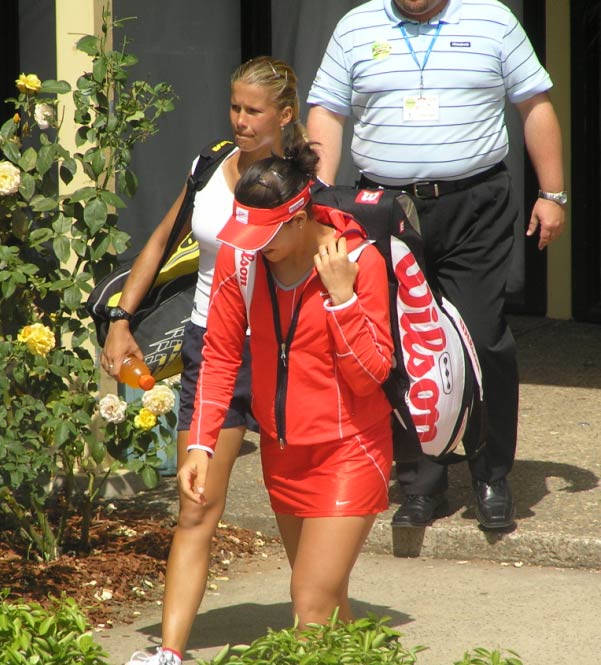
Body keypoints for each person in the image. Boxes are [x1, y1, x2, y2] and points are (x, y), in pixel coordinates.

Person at [306, 0, 566, 530]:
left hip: (476, 201)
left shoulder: (492, 18)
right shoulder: (356, 26)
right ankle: (422, 482)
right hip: (386, 206)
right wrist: (322, 200)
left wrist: (554, 193)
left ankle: (491, 474)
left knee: (481, 335)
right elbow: (327, 113)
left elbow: (534, 105)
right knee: (402, 338)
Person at [100, 56, 304, 665]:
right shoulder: (210, 164)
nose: (240, 120)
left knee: (291, 503)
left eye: (254, 110)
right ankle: (170, 652)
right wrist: (120, 320)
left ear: (285, 116)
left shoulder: (300, 182)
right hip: (209, 345)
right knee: (197, 505)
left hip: (280, 352)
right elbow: (162, 240)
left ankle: (319, 637)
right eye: (235, 107)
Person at [179, 142, 394, 630]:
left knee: (309, 601)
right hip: (283, 452)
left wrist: (342, 299)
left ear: (300, 219)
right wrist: (201, 444)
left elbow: (371, 376)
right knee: (330, 606)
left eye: (266, 233)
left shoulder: (361, 261)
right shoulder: (243, 259)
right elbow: (219, 357)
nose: (253, 244)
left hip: (350, 450)